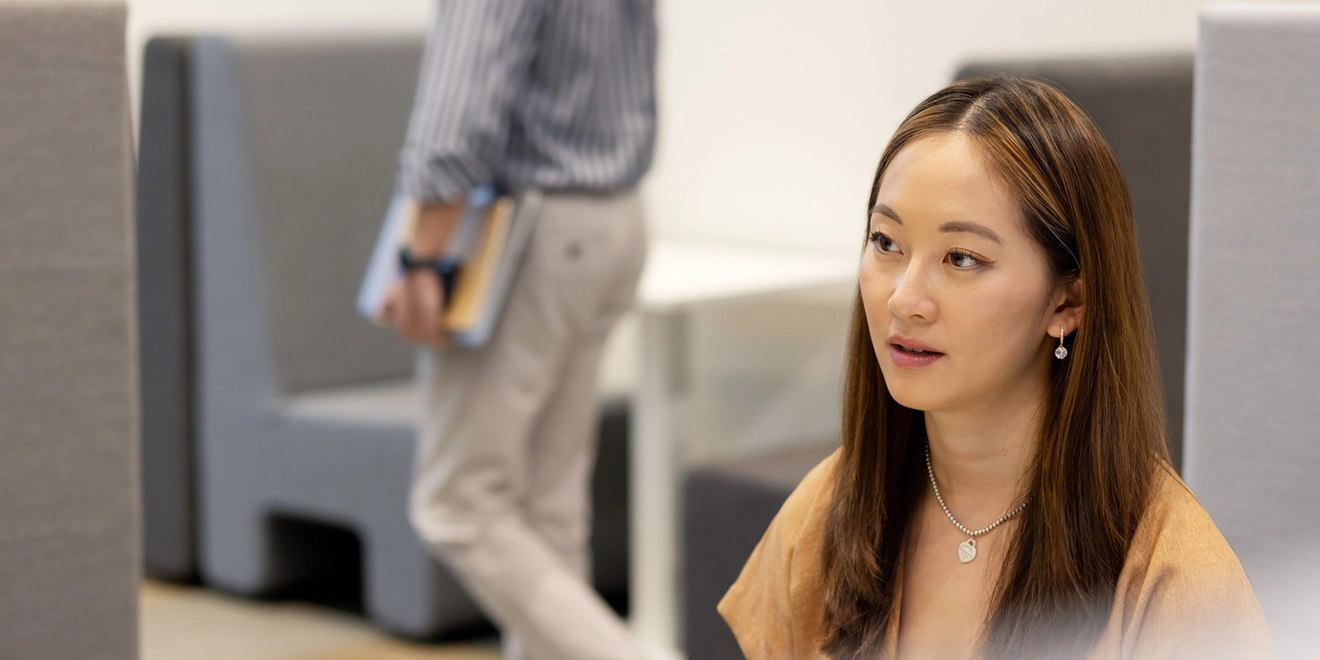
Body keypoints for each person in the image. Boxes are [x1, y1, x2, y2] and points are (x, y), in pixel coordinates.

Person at [717, 76, 1272, 660]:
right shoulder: (831, 509)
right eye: (886, 243)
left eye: (962, 259)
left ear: (1068, 302)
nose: (905, 299)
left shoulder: (1181, 584)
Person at [379, 2, 656, 659]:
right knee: (546, 508)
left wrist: (422, 254)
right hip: (617, 218)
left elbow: (458, 114)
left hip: (533, 229)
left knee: (458, 506)